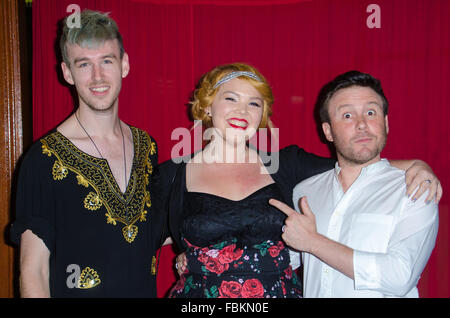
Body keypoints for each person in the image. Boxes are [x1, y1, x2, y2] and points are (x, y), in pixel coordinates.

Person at [163, 63, 441, 298]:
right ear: (208, 106)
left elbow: (354, 161)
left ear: (262, 115)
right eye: (231, 98)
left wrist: (417, 165)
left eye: (254, 103)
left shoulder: (287, 165)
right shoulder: (174, 173)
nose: (242, 111)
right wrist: (193, 256)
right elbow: (141, 236)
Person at [10, 10, 164, 297]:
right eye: (84, 65)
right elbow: (34, 270)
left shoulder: (148, 147)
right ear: (67, 72)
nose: (97, 76)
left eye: (107, 61)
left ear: (124, 64)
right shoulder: (42, 159)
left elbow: (150, 232)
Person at [270, 70, 440, 298]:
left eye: (371, 112)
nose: (362, 124)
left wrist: (314, 242)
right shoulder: (305, 192)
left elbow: (400, 276)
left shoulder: (415, 188)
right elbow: (285, 260)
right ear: (328, 131)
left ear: (386, 123)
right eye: (347, 116)